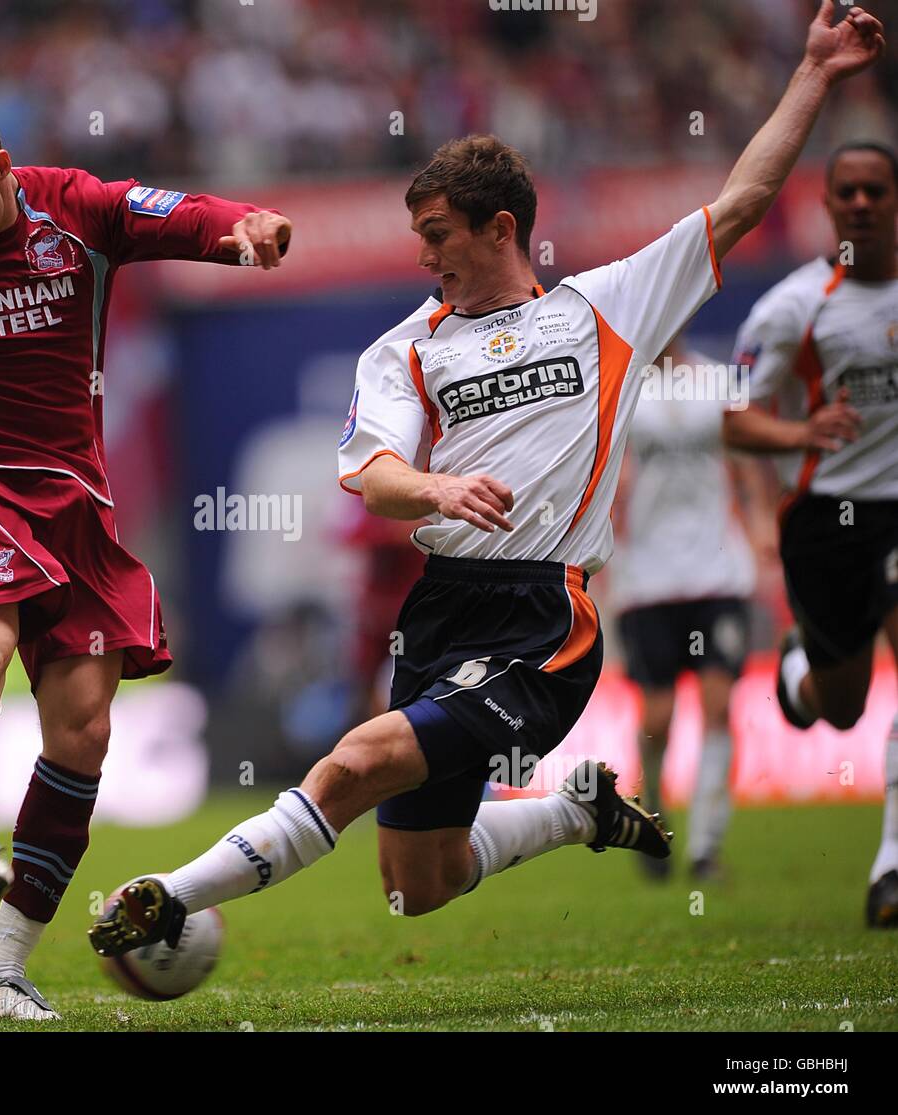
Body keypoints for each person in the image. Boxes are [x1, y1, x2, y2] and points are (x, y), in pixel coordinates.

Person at [88, 2, 885, 958]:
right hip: (442, 609)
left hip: (544, 618)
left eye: (438, 235)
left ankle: (163, 897)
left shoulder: (607, 307)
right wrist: (436, 491)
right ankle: (574, 813)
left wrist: (815, 72)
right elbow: (373, 475)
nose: (424, 258)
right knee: (419, 884)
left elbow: (745, 199)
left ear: (499, 227)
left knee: (358, 760)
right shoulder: (405, 350)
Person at [0, 95, 293, 1019]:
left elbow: (170, 215)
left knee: (83, 730)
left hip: (76, 503)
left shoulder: (73, 209)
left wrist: (243, 228)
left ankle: (1, 974)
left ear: (0, 167)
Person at [724, 139, 898, 928]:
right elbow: (732, 415)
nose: (861, 203)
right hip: (829, 521)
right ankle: (801, 678)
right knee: (843, 707)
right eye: (848, 192)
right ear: (827, 206)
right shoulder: (797, 304)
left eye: (876, 191)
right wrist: (800, 435)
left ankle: (890, 869)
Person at [612, 336, 771, 881]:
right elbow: (608, 481)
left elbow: (745, 455)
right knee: (657, 715)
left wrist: (762, 523)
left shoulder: (714, 380)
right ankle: (650, 811)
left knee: (719, 704)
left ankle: (706, 848)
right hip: (648, 576)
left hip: (718, 568)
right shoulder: (621, 385)